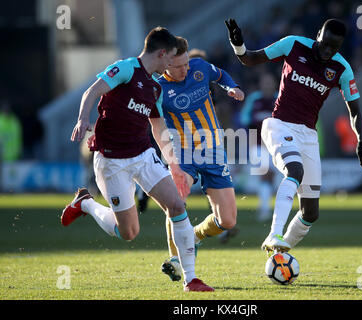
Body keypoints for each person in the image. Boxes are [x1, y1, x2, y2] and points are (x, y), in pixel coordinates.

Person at [61, 27, 213, 292]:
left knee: (177, 206)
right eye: (170, 59)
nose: (170, 65)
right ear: (161, 53)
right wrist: (83, 118)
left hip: (143, 155)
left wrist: (173, 162)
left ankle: (191, 279)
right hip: (111, 160)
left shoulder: (155, 87)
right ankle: (86, 204)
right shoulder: (126, 69)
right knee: (128, 233)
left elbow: (158, 127)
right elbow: (92, 91)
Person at [225, 18, 362, 254]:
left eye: (333, 48)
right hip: (279, 125)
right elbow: (250, 59)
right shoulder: (293, 45)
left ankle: (279, 255)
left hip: (308, 136)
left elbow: (355, 110)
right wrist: (239, 45)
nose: (327, 52)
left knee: (310, 213)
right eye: (324, 44)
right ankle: (274, 233)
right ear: (318, 35)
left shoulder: (342, 68)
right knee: (295, 171)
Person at [157, 36, 244, 282]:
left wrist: (231, 87)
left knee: (227, 220)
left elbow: (221, 75)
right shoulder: (157, 88)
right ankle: (176, 257)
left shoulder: (200, 67)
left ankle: (193, 237)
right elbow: (150, 121)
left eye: (187, 63)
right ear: (165, 64)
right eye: (179, 66)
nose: (186, 68)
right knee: (176, 201)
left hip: (213, 148)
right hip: (183, 152)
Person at [239, 72, 279, 221]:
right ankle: (265, 209)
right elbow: (244, 119)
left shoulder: (279, 98)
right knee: (265, 174)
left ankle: (267, 207)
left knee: (272, 177)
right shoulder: (254, 99)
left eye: (270, 82)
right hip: (257, 145)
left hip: (276, 145)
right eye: (265, 82)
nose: (267, 85)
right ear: (260, 84)